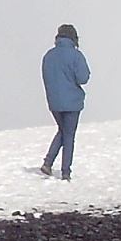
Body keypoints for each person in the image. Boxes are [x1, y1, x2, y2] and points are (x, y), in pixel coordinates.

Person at [39, 24, 90, 180]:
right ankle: (65, 171)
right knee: (68, 135)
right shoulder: (76, 55)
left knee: (62, 131)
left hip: (54, 102)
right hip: (72, 101)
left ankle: (48, 163)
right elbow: (83, 78)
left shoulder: (49, 55)